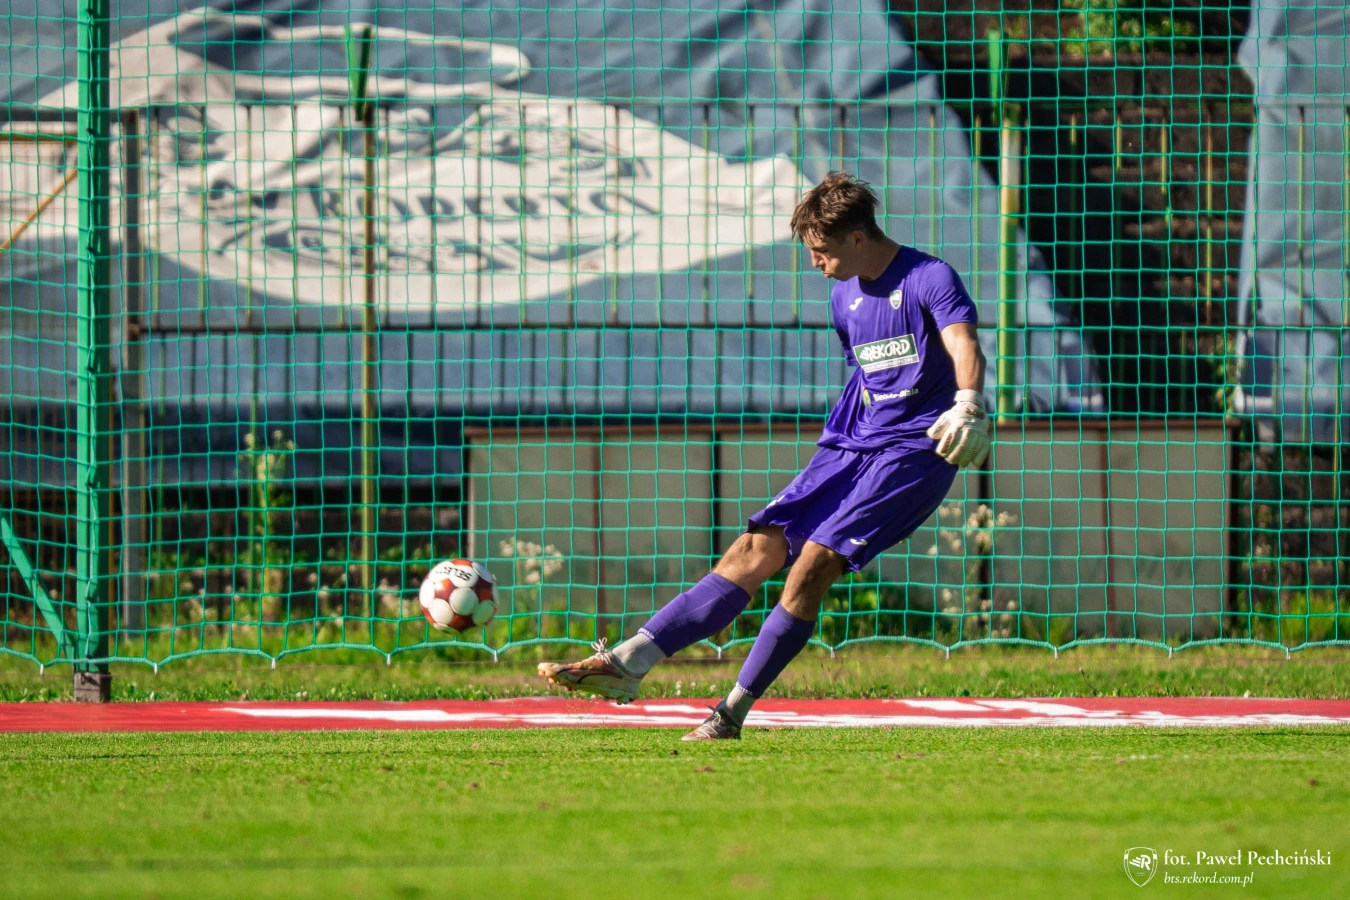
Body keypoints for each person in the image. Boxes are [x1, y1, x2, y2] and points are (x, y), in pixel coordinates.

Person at [538, 171, 990, 740]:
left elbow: (964, 344)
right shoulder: (843, 295)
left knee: (813, 563)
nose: (815, 263)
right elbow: (868, 375)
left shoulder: (929, 277)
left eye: (822, 251)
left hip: (914, 451)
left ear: (857, 238)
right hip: (852, 442)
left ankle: (729, 713)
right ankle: (628, 663)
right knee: (753, 547)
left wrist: (968, 403)